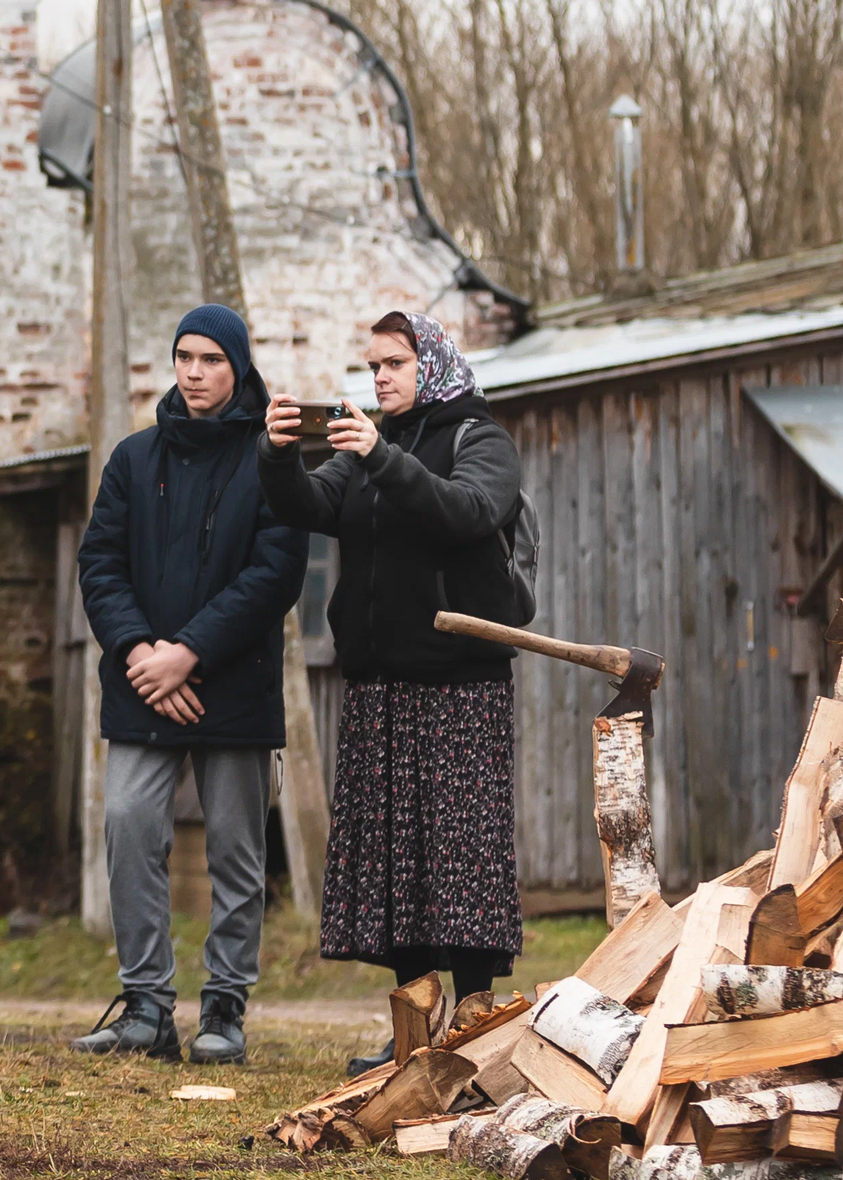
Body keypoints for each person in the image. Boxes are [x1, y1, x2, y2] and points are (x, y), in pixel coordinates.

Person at [260, 310, 525, 1075]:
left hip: (459, 684)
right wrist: (278, 455)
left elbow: (467, 512)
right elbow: (308, 508)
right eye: (372, 365)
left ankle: (475, 1021)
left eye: (395, 363)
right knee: (396, 862)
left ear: (431, 364)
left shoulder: (481, 439)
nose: (379, 377)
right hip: (380, 683)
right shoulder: (371, 441)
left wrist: (381, 458)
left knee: (459, 857)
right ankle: (414, 1026)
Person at [69, 305, 308, 1066]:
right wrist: (144, 653)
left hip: (232, 688)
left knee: (237, 850)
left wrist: (190, 654)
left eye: (210, 358)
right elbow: (100, 562)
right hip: (144, 684)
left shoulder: (272, 457)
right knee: (131, 824)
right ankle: (145, 1008)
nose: (195, 372)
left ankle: (225, 1008)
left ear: (238, 367)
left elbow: (274, 575)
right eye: (184, 357)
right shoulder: (135, 459)